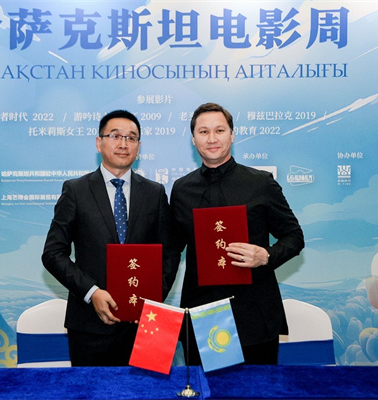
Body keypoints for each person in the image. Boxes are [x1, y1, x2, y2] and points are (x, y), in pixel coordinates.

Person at [168, 102, 304, 365]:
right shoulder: (182, 189)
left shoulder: (261, 182)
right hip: (202, 314)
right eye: (203, 132)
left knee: (256, 387)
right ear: (193, 139)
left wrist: (267, 256)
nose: (212, 138)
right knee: (205, 387)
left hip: (255, 313)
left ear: (232, 135)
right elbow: (172, 248)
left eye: (219, 130)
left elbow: (294, 236)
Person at [42, 110, 175, 366]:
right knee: (92, 388)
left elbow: (169, 252)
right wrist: (91, 292)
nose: (123, 143)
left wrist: (152, 298)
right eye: (115, 136)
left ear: (138, 147)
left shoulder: (155, 193)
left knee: (145, 389)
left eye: (131, 138)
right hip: (90, 326)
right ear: (98, 142)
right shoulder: (76, 191)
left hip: (144, 324)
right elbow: (52, 254)